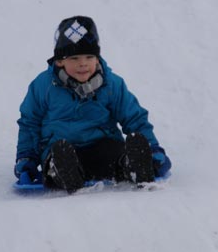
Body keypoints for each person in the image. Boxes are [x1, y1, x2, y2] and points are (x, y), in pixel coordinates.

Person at [15, 16, 171, 193]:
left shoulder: (111, 84)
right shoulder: (43, 86)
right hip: (62, 150)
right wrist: (26, 158)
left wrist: (153, 148)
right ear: (59, 61)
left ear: (97, 58)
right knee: (56, 158)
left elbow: (134, 117)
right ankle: (62, 173)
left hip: (101, 146)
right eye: (74, 58)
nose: (83, 64)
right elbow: (29, 124)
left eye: (89, 56)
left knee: (113, 151)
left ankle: (130, 165)